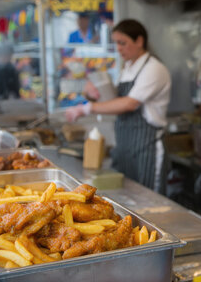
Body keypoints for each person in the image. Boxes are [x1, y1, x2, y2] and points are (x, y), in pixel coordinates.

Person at [66, 19, 171, 191]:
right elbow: (115, 101)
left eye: (123, 43)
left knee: (150, 202)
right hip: (125, 146)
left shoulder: (154, 68)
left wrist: (86, 108)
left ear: (139, 41)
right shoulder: (127, 68)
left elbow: (130, 103)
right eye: (116, 43)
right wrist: (92, 94)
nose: (119, 48)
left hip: (147, 148)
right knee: (128, 198)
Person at [0, 44, 20, 109]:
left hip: (5, 104)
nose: (9, 58)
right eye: (8, 56)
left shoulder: (10, 68)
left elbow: (15, 88)